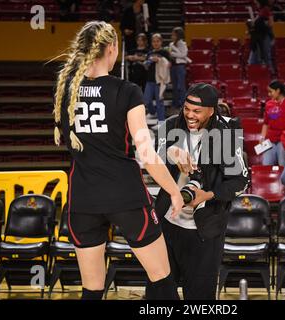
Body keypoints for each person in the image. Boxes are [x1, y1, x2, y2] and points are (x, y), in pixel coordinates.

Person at [52, 21, 184, 300]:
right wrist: (173, 190)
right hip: (125, 196)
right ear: (112, 48)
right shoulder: (126, 90)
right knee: (162, 277)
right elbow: (145, 153)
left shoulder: (66, 90)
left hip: (83, 200)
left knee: (92, 290)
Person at [153, 83, 249, 300]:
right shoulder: (169, 126)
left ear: (211, 110)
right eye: (186, 108)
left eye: (196, 111)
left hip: (205, 229)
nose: (189, 115)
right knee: (159, 293)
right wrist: (170, 152)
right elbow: (152, 159)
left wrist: (208, 195)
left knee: (200, 298)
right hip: (167, 223)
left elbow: (241, 181)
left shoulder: (225, 135)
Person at [260, 80, 285, 166]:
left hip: (284, 139)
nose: (269, 94)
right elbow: (265, 123)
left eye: (270, 92)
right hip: (269, 139)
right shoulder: (268, 104)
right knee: (266, 164)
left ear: (278, 91)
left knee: (282, 164)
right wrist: (262, 138)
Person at [144, 33, 171, 125]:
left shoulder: (165, 52)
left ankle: (161, 122)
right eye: (154, 41)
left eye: (157, 41)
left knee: (160, 101)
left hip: (160, 80)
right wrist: (147, 63)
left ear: (161, 42)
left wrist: (160, 60)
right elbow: (146, 66)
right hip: (149, 80)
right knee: (147, 100)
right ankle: (152, 112)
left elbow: (169, 64)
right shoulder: (150, 53)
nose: (155, 43)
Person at [248, 0, 274, 72]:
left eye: (257, 3)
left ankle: (270, 73)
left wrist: (260, 25)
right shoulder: (260, 10)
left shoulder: (265, 10)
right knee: (254, 56)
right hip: (258, 37)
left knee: (266, 56)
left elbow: (270, 23)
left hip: (264, 36)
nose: (256, 4)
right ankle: (254, 72)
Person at [169, 27, 189, 111]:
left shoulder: (183, 44)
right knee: (175, 86)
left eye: (174, 34)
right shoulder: (171, 44)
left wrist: (173, 53)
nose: (172, 36)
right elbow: (178, 54)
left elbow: (183, 55)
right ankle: (176, 103)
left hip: (180, 66)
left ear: (178, 35)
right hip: (173, 66)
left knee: (181, 86)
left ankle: (183, 104)